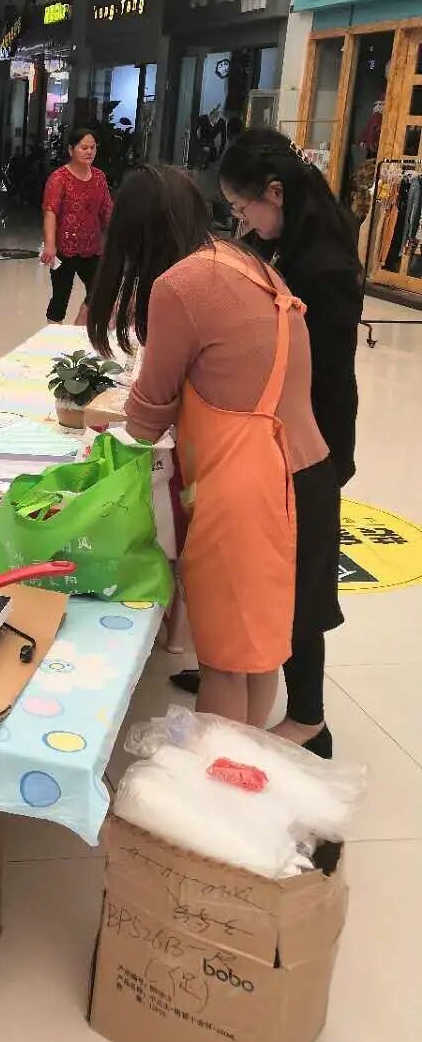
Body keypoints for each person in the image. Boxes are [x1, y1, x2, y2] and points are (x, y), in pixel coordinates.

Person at [87, 166, 338, 728]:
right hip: (302, 473)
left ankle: (214, 774)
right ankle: (243, 769)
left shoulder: (180, 284)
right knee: (258, 652)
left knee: (224, 662)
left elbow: (150, 409)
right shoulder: (243, 260)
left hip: (246, 488)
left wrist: (101, 450)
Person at [170, 130, 362, 756]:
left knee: (298, 583)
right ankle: (232, 666)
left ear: (275, 193)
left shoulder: (322, 265)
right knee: (251, 570)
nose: (240, 221)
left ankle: (309, 720)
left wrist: (311, 456)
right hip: (266, 433)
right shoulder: (279, 242)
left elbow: (321, 372)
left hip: (305, 442)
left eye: (243, 207)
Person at [40, 129, 113, 324]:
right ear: (71, 150)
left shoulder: (99, 177)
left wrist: (117, 236)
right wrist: (49, 245)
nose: (89, 152)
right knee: (61, 296)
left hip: (92, 247)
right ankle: (53, 333)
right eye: (84, 147)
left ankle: (80, 326)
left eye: (93, 148)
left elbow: (107, 210)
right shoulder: (59, 178)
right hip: (64, 248)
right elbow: (50, 212)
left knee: (100, 289)